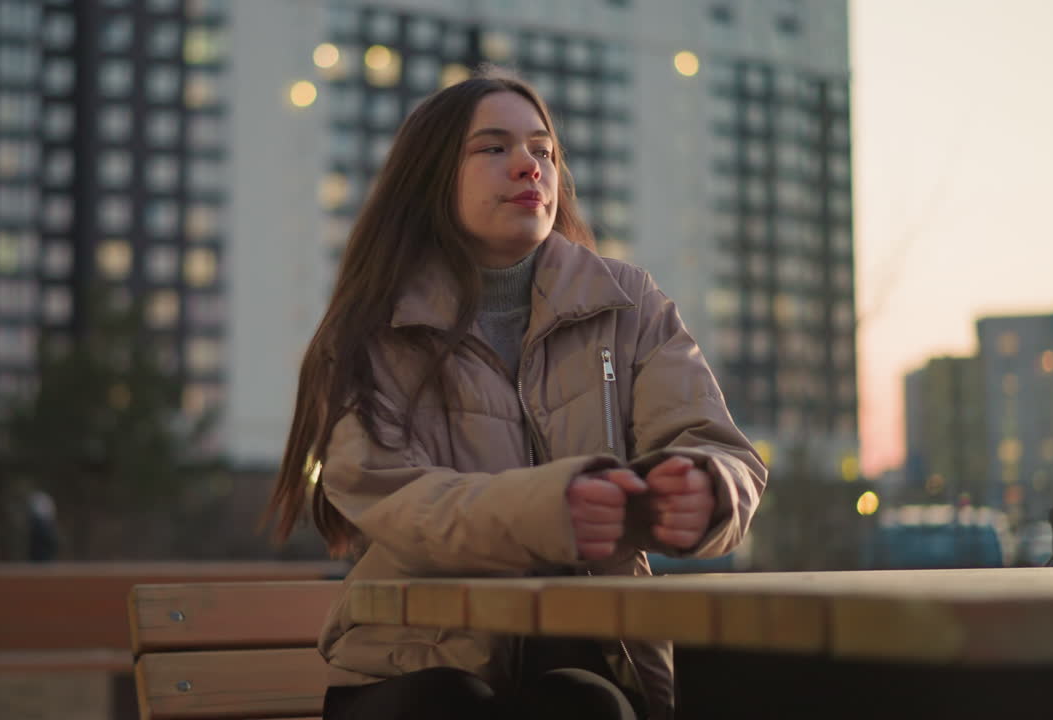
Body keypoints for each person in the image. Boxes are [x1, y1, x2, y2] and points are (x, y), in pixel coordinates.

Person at [264, 69, 766, 720]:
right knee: (451, 704)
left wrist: (707, 487)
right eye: (494, 147)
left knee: (586, 703)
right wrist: (553, 507)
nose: (530, 167)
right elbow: (392, 497)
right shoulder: (371, 331)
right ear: (431, 177)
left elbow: (717, 446)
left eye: (543, 151)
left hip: (594, 654)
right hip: (414, 669)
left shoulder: (630, 305)